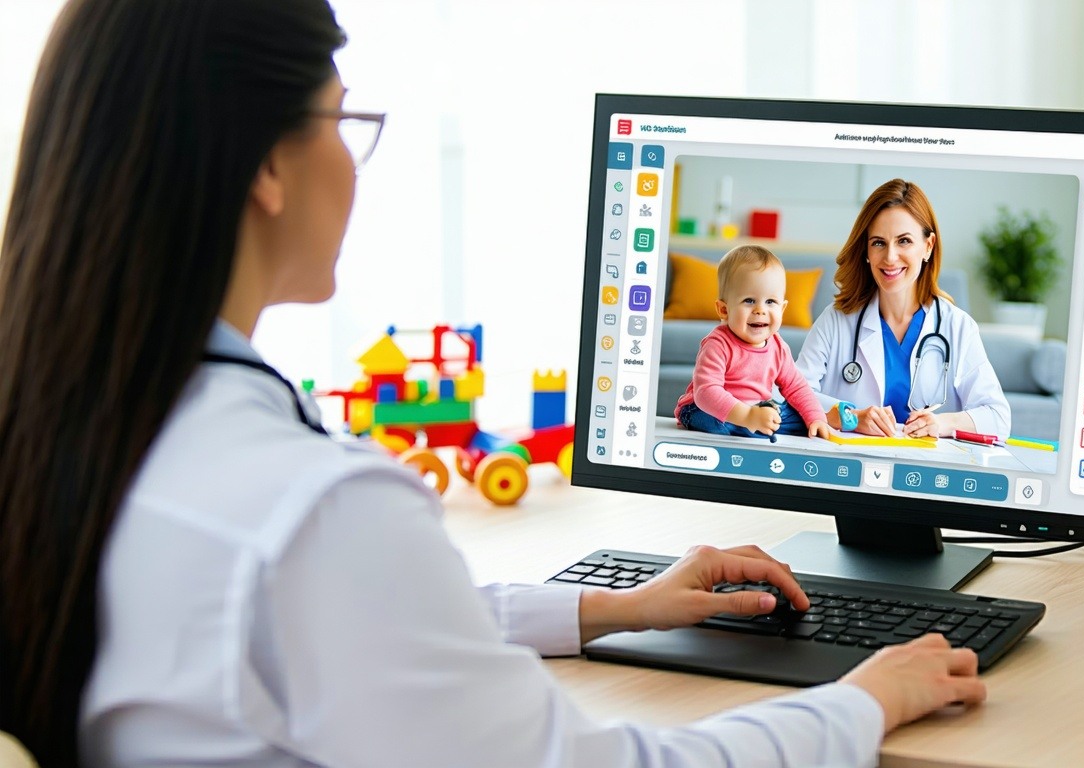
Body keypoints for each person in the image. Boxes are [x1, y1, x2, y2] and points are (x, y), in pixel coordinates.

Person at [0, 1, 986, 765]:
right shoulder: (315, 507)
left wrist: (615, 606)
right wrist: (866, 700)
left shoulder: (87, 420)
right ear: (267, 165)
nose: (353, 154)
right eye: (343, 119)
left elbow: (351, 631)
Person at [796, 179, 1010, 439]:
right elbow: (790, 396)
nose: (890, 257)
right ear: (866, 250)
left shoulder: (957, 326)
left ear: (928, 246)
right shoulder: (837, 319)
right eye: (878, 242)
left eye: (904, 241)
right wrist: (847, 416)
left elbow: (998, 417)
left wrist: (941, 424)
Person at [674, 245, 831, 441]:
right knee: (714, 421)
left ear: (782, 309)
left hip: (756, 407)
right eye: (749, 300)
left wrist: (815, 417)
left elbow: (796, 387)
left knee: (798, 416)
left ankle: (762, 424)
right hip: (706, 409)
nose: (760, 310)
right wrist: (746, 416)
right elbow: (706, 392)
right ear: (724, 310)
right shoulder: (718, 344)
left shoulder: (778, 347)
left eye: (770, 302)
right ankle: (753, 425)